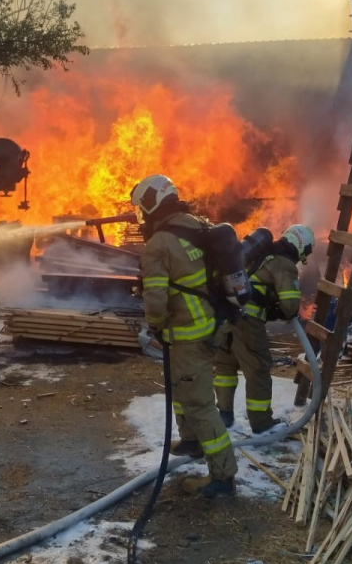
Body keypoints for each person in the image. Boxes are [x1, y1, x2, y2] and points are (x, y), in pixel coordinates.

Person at [130, 173, 238, 498]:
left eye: (141, 209)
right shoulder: (195, 224)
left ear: (152, 203)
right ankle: (192, 441)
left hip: (188, 333)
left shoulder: (158, 244)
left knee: (199, 402)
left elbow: (155, 299)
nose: (140, 217)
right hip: (209, 324)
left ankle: (223, 477)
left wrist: (156, 325)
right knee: (182, 387)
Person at [213, 224, 313, 432]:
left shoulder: (258, 255)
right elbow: (291, 305)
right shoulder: (284, 264)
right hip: (247, 323)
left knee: (225, 366)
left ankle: (223, 414)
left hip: (224, 317)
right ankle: (261, 422)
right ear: (301, 247)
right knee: (258, 370)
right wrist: (278, 311)